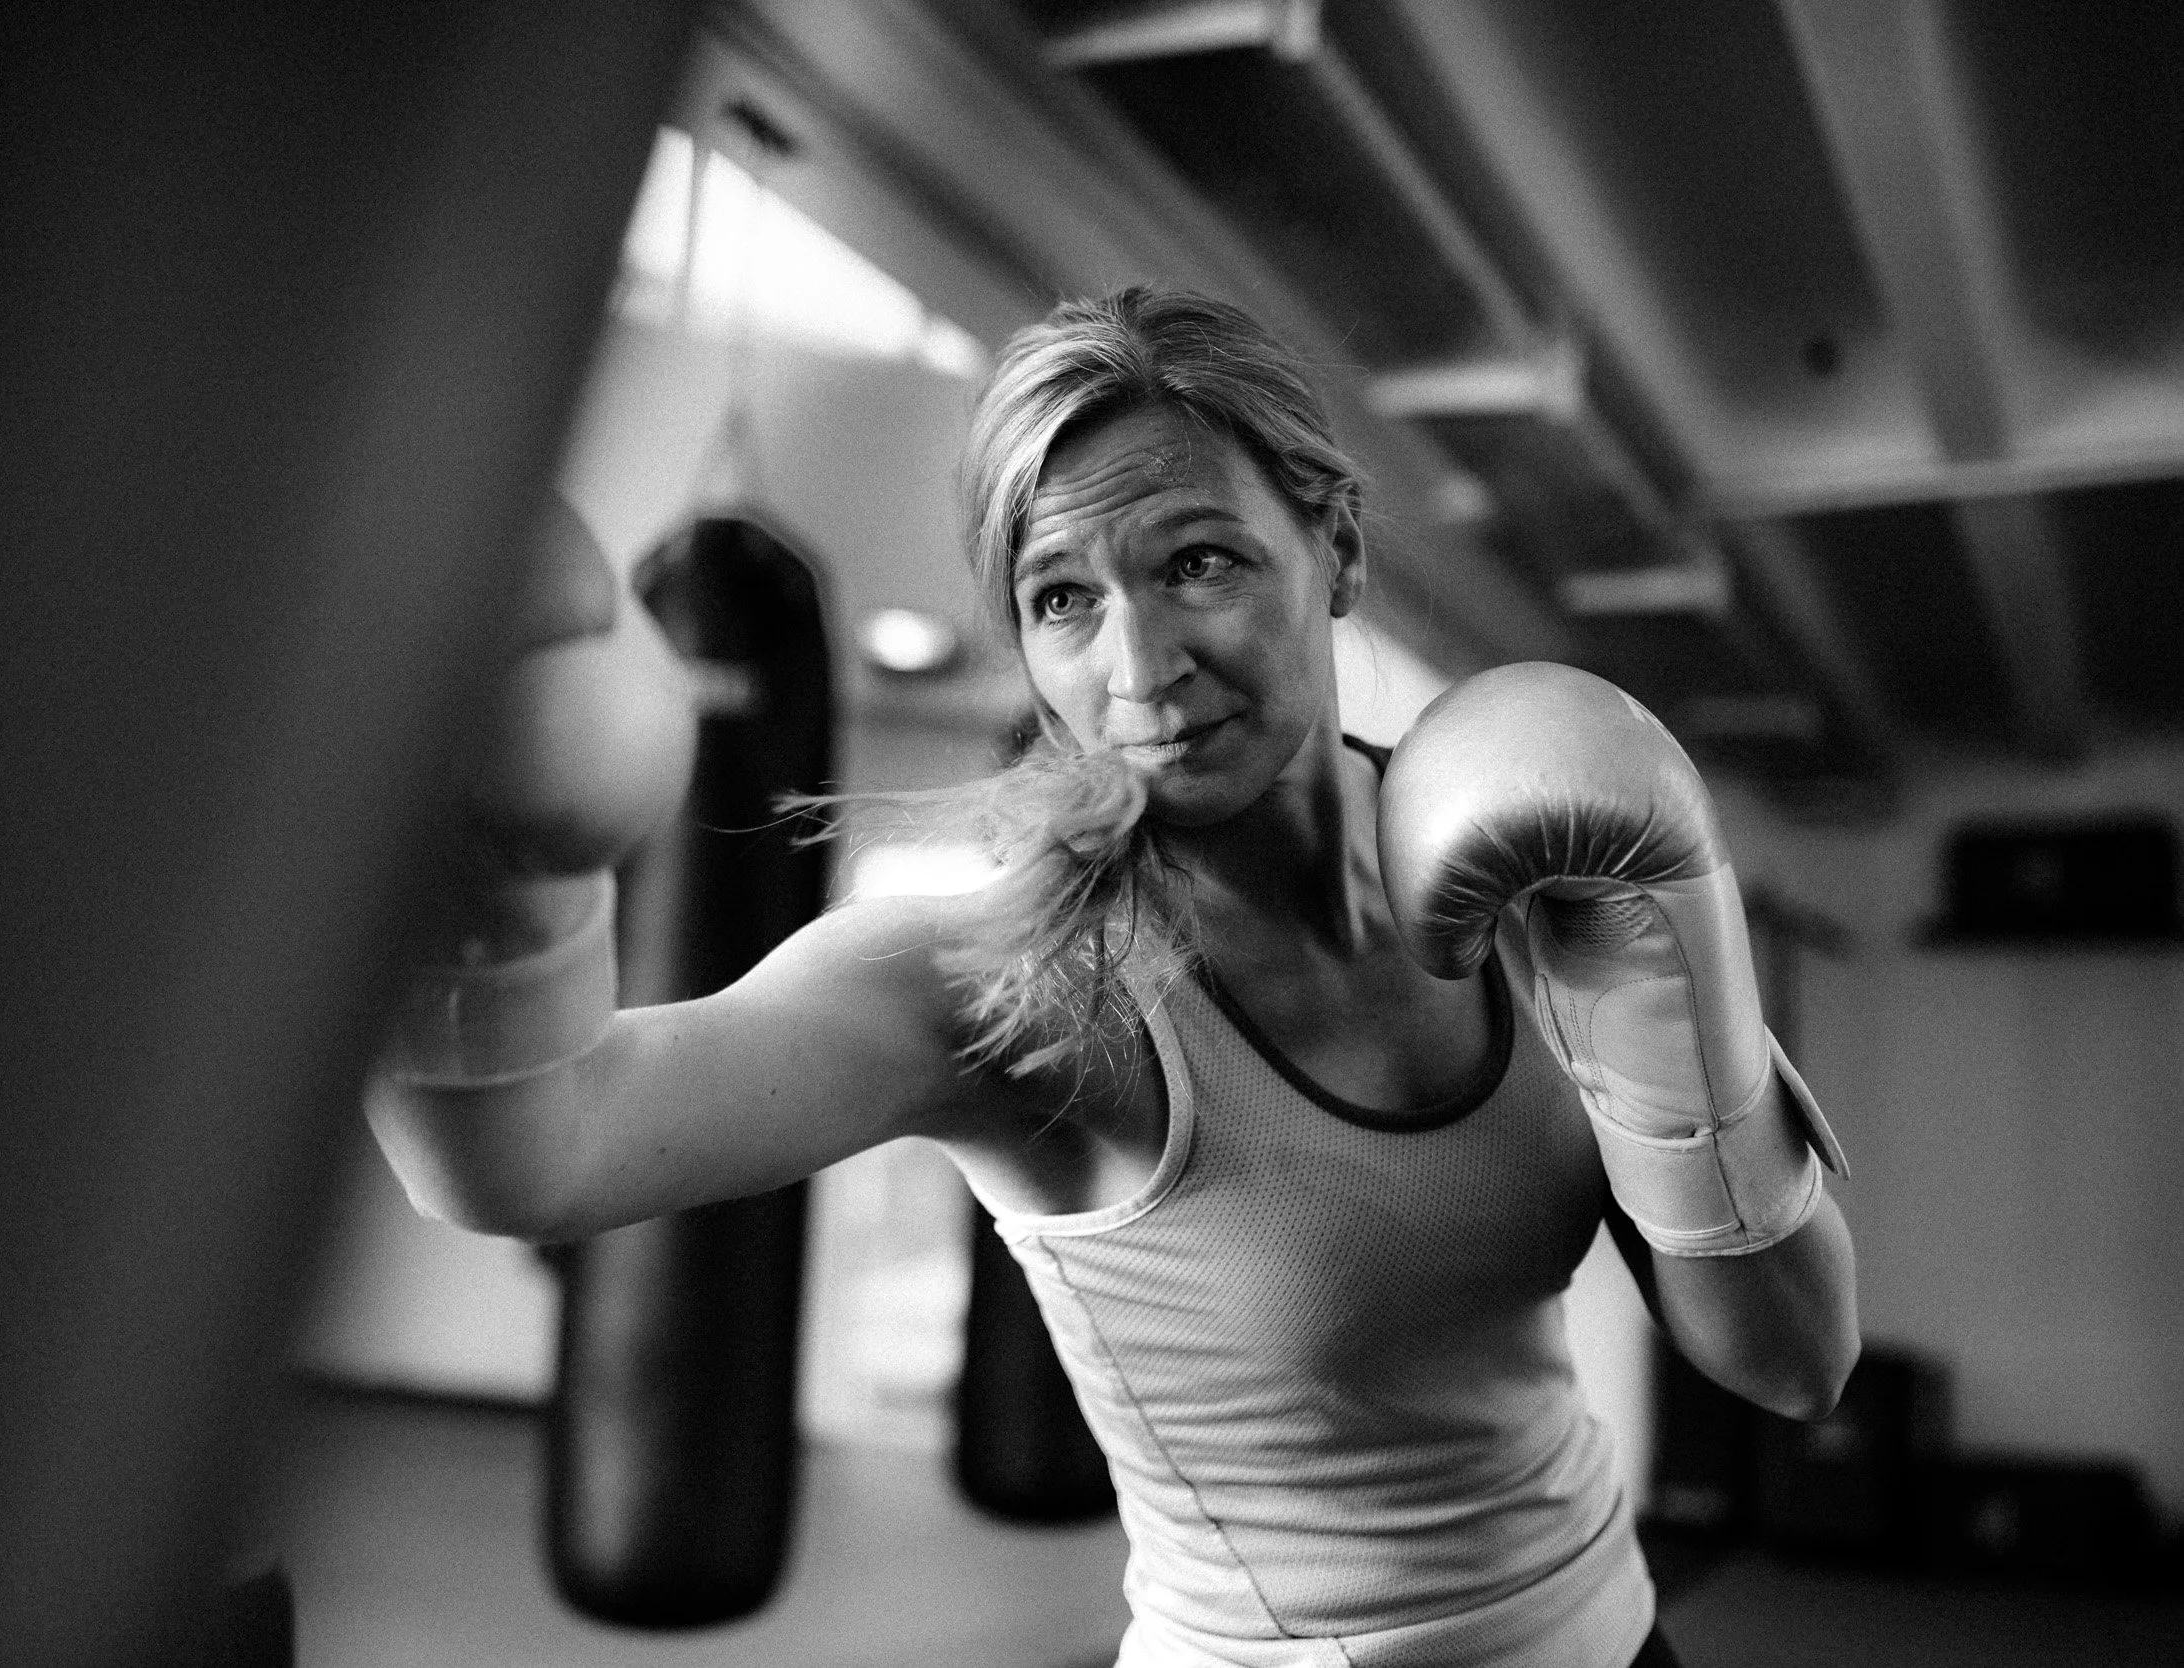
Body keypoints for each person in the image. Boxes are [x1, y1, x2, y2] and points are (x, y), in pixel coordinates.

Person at [368, 286, 1859, 1668]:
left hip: (1620, 1639)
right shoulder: (1002, 980)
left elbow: (1793, 1363)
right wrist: (497, 888)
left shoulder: (1527, 852)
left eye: (1195, 561)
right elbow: (534, 1155)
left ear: (1334, 547)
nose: (1139, 665)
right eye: (1062, 598)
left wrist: (1678, 995)